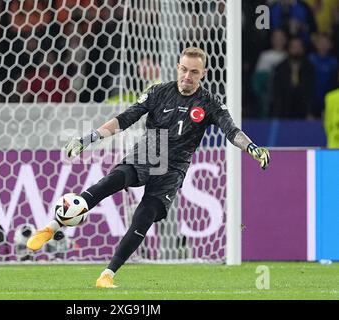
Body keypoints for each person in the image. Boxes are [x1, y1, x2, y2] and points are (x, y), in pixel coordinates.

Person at [27, 47, 271, 288]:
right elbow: (125, 118)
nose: (187, 76)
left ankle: (107, 275)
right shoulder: (159, 92)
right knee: (115, 179)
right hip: (152, 149)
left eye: (194, 72)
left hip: (175, 166)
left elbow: (231, 130)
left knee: (144, 216)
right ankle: (51, 227)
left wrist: (252, 149)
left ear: (203, 73)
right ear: (178, 67)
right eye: (184, 70)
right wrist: (89, 139)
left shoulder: (209, 103)